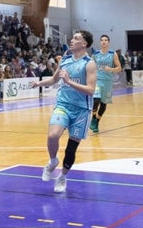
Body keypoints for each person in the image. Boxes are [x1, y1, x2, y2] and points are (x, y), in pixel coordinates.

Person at [31, 30, 97, 195]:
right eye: (73, 38)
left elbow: (90, 90)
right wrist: (38, 83)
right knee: (53, 135)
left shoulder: (89, 64)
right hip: (63, 105)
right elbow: (54, 80)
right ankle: (53, 161)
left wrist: (68, 81)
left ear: (85, 44)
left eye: (76, 38)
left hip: (82, 110)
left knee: (71, 149)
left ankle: (62, 176)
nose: (72, 40)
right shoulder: (65, 60)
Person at [89, 34, 122, 134]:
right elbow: (90, 66)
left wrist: (111, 69)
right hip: (97, 80)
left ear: (109, 42)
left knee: (103, 105)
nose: (104, 42)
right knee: (96, 100)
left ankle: (96, 122)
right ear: (100, 42)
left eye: (106, 40)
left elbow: (119, 68)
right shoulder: (95, 54)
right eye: (102, 40)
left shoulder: (113, 54)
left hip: (107, 82)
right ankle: (93, 117)